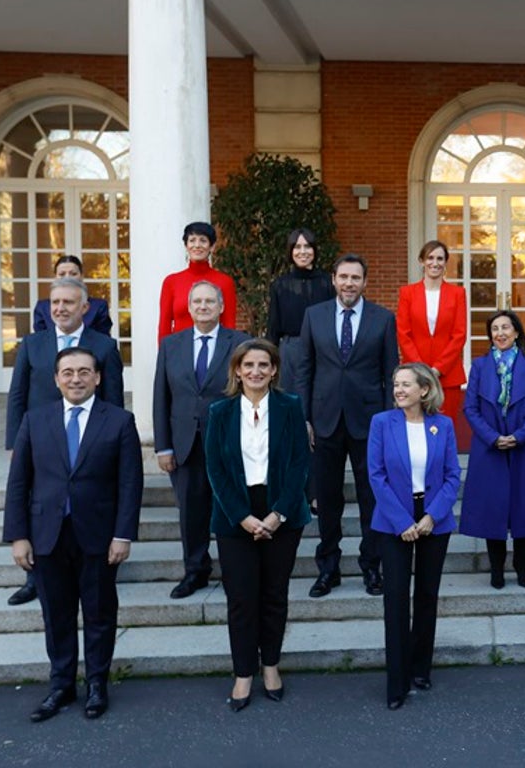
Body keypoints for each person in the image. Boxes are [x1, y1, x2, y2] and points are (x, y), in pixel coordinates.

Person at [2, 347, 143, 722]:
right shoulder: (35, 420)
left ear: (98, 377)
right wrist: (18, 536)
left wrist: (123, 535)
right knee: (57, 615)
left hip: (98, 536)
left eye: (84, 372)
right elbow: (19, 484)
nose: (76, 379)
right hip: (46, 535)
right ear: (56, 379)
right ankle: (61, 685)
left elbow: (130, 484)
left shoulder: (119, 421)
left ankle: (97, 684)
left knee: (99, 614)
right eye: (68, 373)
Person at [4, 277, 125, 607]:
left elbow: (113, 400)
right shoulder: (32, 344)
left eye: (68, 302)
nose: (60, 309)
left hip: (87, 443)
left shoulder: (104, 347)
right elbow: (18, 395)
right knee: (38, 506)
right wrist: (15, 442)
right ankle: (34, 578)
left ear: (84, 308)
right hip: (40, 442)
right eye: (54, 303)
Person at [204, 339, 310, 710]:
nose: (256, 371)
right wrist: (244, 517)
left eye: (263, 365)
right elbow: (214, 468)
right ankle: (243, 673)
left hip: (282, 512)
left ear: (274, 370)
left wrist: (277, 514)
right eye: (248, 365)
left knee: (273, 597)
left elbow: (300, 463)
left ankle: (271, 666)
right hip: (236, 515)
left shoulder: (291, 406)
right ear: (237, 370)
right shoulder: (219, 411)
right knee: (241, 600)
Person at [295, 254, 398, 598]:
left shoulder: (383, 319)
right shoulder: (314, 316)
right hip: (323, 422)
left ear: (365, 282)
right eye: (343, 277)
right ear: (334, 280)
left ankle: (372, 566)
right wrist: (305, 417)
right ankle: (328, 568)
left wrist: (388, 422)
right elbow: (304, 369)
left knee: (372, 497)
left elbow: (389, 373)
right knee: (326, 497)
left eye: (356, 277)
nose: (349, 283)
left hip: (369, 422)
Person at [368, 363, 461, 710]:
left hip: (433, 521)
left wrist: (430, 517)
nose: (399, 390)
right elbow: (376, 476)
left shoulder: (444, 425)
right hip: (394, 521)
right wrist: (403, 521)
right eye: (395, 384)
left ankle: (421, 668)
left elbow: (453, 476)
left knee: (426, 596)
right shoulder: (382, 423)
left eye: (406, 384)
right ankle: (397, 682)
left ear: (424, 390)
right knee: (395, 600)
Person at [153, 280, 248, 598]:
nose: (203, 306)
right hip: (185, 443)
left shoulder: (240, 343)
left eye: (210, 301)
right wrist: (163, 446)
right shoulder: (171, 345)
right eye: (197, 302)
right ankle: (195, 571)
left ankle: (236, 572)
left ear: (221, 307)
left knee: (229, 508)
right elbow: (161, 398)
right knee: (191, 512)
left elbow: (251, 394)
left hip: (227, 443)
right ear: (189, 308)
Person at [459, 311, 525, 589]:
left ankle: (521, 566)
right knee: (492, 509)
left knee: (524, 507)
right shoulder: (479, 365)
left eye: (505, 328)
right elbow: (470, 408)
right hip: (490, 448)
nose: (500, 333)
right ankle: (496, 569)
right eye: (495, 329)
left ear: (517, 333)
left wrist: (518, 436)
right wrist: (493, 437)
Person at [397, 240, 468, 420]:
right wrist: (420, 369)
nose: (434, 263)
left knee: (445, 427)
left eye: (440, 258)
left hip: (447, 375)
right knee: (415, 426)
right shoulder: (407, 293)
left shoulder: (457, 293)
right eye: (430, 258)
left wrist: (438, 369)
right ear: (422, 261)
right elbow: (403, 333)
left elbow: (459, 335)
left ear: (445, 263)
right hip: (414, 374)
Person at [266, 227, 333, 392]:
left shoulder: (328, 283)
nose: (302, 252)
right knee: (290, 400)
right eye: (297, 247)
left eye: (307, 246)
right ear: (290, 251)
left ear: (314, 250)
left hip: (322, 349)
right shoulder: (280, 285)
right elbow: (273, 327)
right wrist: (267, 358)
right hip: (290, 351)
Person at [157, 221, 238, 343]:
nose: (197, 245)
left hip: (213, 350)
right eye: (192, 240)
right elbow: (164, 326)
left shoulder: (225, 282)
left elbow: (229, 324)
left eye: (203, 240)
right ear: (186, 246)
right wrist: (164, 358)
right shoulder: (171, 282)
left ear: (212, 246)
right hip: (179, 351)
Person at [32, 255, 113, 336]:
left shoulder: (98, 306)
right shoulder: (42, 307)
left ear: (82, 276)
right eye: (62, 274)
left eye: (73, 274)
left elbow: (103, 341)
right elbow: (40, 341)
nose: (67, 278)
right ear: (55, 277)